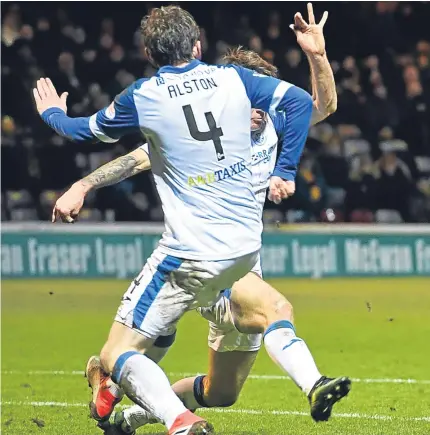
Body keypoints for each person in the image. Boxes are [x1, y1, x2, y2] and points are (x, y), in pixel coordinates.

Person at [52, 5, 350, 435]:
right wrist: (82, 185)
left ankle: (130, 412)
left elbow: (322, 105)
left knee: (223, 391)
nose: (257, 116)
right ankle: (161, 399)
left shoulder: (272, 124)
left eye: (262, 108)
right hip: (213, 255)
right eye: (252, 107)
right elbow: (134, 159)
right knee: (272, 309)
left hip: (238, 258)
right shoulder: (198, 123)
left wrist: (317, 56)